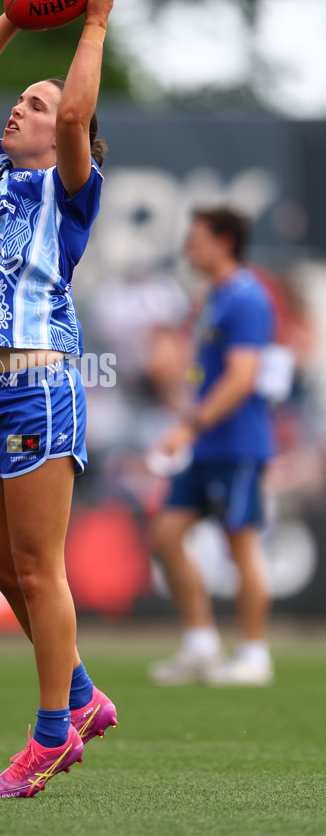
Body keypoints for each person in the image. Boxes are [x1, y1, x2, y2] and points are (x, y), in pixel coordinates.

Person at [0, 0, 119, 798]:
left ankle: (51, 736)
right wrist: (18, 13)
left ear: (67, 135)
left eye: (39, 104)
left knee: (40, 566)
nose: (22, 104)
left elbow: (82, 111)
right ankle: (83, 695)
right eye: (25, 97)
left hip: (37, 383)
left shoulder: (71, 188)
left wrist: (91, 21)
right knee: (5, 572)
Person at [148, 207, 277, 686]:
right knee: (166, 535)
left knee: (240, 546)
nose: (188, 247)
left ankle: (253, 655)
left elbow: (243, 378)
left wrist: (189, 426)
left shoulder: (247, 297)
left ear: (224, 241)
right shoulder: (215, 297)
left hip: (236, 444)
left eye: (196, 238)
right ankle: (202, 645)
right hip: (206, 445)